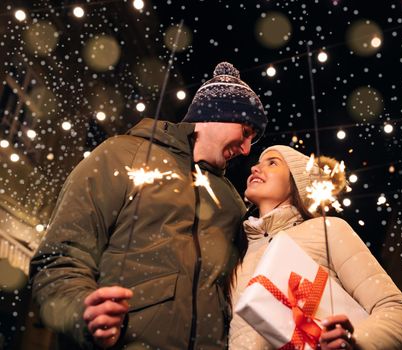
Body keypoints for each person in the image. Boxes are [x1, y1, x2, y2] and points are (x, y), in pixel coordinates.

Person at [29, 62, 267, 349]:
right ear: (215, 113)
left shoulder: (231, 201)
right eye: (245, 131)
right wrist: (81, 311)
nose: (246, 149)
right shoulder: (121, 156)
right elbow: (59, 258)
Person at [229, 145, 402, 349]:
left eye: (272, 162)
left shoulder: (327, 230)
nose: (255, 169)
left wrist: (353, 341)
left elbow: (401, 316)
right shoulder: (236, 256)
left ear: (296, 182)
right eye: (257, 163)